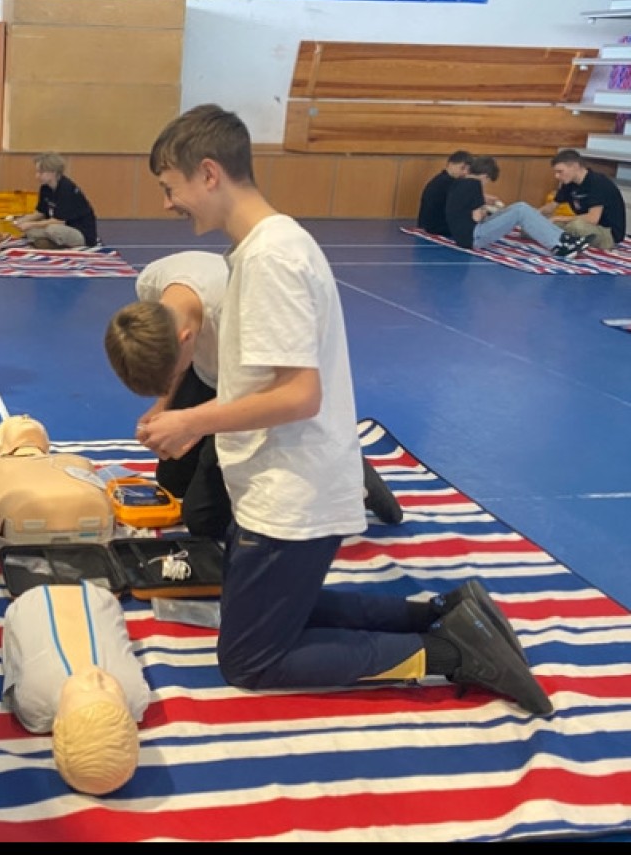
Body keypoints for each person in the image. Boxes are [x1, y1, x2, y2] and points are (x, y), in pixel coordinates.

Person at [134, 104, 552, 717]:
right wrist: (190, 420)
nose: (169, 203)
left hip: (292, 494)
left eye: (171, 187)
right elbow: (264, 384)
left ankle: (452, 652)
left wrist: (192, 420)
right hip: (285, 481)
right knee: (274, 611)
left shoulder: (270, 258)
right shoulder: (265, 246)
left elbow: (299, 395)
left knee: (249, 660)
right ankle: (444, 614)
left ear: (209, 173)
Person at [105, 252, 403, 538]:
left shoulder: (244, 313)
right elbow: (168, 351)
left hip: (262, 385)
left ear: (187, 339)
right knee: (172, 480)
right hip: (213, 369)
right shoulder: (152, 283)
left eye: (170, 376)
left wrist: (191, 423)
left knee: (204, 519)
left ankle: (345, 463)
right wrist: (164, 405)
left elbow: (270, 394)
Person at [1, 581, 151, 796]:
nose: (95, 676)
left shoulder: (33, 701)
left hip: (31, 598)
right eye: (108, 690)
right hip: (100, 597)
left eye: (85, 690)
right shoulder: (135, 693)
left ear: (58, 724)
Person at [445, 155, 594, 258]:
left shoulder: (459, 183)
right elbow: (477, 217)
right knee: (520, 210)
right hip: (473, 236)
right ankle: (559, 244)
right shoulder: (474, 185)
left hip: (464, 235)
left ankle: (564, 239)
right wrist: (485, 209)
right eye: (487, 181)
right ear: (485, 176)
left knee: (518, 207)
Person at [10, 152, 99, 249]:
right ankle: (50, 243)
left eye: (41, 172)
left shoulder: (66, 189)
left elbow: (59, 221)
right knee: (30, 231)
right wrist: (21, 221)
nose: (37, 176)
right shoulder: (45, 187)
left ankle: (54, 244)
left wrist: (31, 224)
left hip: (80, 232)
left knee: (52, 229)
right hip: (61, 228)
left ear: (53, 172)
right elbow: (41, 212)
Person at [545, 148, 627, 250]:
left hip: (608, 233)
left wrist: (559, 218)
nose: (557, 176)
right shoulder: (569, 183)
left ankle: (568, 241)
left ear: (574, 166)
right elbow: (552, 206)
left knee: (576, 226)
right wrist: (535, 214)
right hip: (586, 225)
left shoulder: (597, 182)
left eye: (560, 171)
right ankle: (568, 240)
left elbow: (592, 218)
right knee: (549, 224)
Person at [415, 149, 473, 236]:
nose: (465, 172)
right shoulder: (446, 183)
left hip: (430, 224)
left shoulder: (442, 179)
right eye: (462, 168)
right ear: (450, 164)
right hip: (436, 227)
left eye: (468, 170)